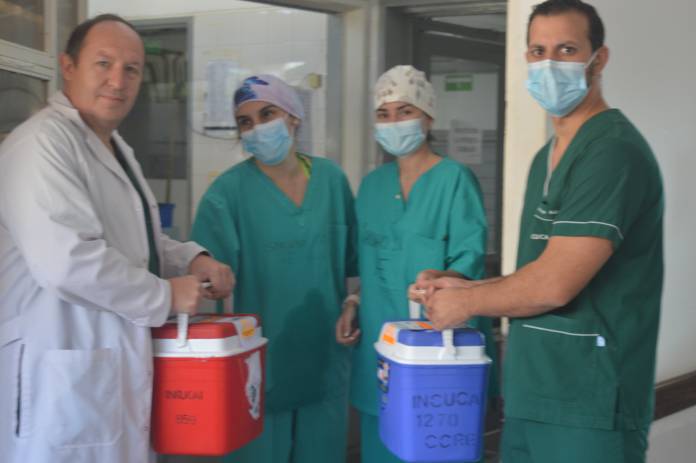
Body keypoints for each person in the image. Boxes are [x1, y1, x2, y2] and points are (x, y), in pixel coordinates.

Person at [413, 1, 663, 462]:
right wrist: (466, 287)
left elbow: (553, 285)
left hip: (590, 404)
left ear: (598, 59)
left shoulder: (611, 153)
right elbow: (537, 271)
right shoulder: (545, 158)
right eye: (537, 51)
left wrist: (466, 304)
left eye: (567, 50)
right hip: (534, 391)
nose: (549, 64)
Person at [0, 15, 234, 463]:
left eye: (131, 69)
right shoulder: (42, 144)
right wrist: (165, 295)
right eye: (103, 63)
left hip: (102, 370)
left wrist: (190, 259)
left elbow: (134, 243)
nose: (117, 81)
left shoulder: (111, 145)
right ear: (68, 66)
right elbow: (67, 262)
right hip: (58, 370)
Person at [190, 74, 358, 463]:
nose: (257, 128)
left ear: (294, 117)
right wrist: (208, 277)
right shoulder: (227, 193)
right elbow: (202, 274)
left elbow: (353, 263)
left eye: (267, 114)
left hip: (324, 355)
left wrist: (354, 302)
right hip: (258, 363)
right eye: (245, 122)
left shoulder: (331, 180)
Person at [336, 64, 496, 463]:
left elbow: (470, 261)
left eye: (404, 111)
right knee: (382, 444)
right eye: (383, 114)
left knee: (437, 442)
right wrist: (354, 303)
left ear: (428, 117)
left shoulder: (454, 180)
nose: (394, 122)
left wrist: (443, 277)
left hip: (439, 351)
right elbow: (372, 263)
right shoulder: (372, 187)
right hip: (382, 347)